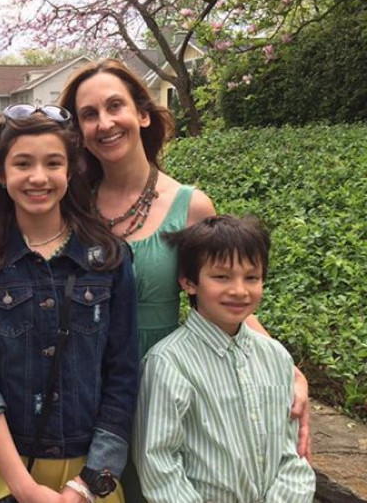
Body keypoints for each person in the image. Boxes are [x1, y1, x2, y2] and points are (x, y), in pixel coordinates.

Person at [59, 60, 311, 501]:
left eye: (115, 106)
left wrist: (288, 368)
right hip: (87, 385)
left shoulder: (190, 205)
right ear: (78, 130)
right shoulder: (69, 204)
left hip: (171, 389)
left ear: (142, 113)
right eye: (89, 114)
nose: (105, 123)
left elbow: (222, 291)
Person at [0, 104, 138, 503]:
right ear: (2, 174)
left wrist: (87, 485)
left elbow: (122, 374)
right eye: (23, 164)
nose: (38, 177)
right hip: (6, 470)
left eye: (53, 163)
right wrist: (24, 488)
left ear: (70, 171)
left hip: (90, 471)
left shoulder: (108, 261)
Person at [133, 215, 316, 502]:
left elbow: (293, 455)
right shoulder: (168, 363)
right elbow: (158, 464)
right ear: (189, 282)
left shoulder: (276, 357)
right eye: (221, 277)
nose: (239, 290)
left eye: (251, 278)